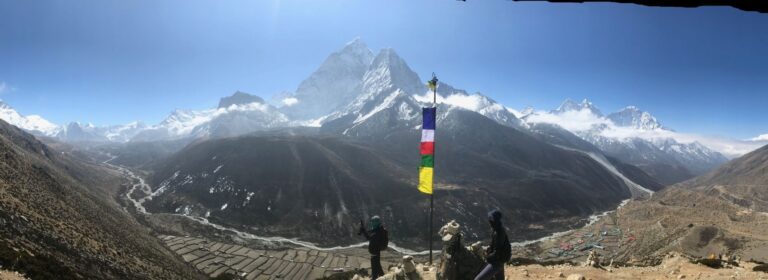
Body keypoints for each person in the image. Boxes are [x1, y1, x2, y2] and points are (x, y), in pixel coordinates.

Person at [474, 209, 511, 280]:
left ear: (495, 220)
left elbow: (497, 251)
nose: (489, 220)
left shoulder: (498, 232)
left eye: (491, 218)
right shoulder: (497, 229)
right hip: (500, 260)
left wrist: (488, 257)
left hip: (496, 262)